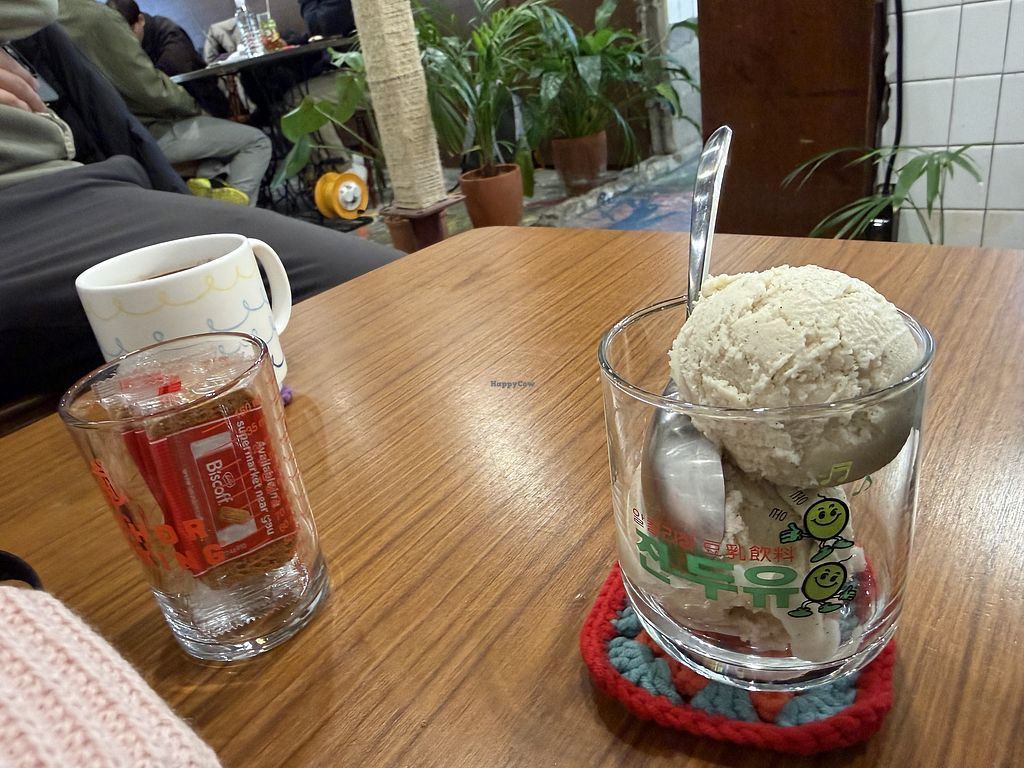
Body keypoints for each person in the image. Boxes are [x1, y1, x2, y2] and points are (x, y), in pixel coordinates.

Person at [0, 1, 402, 405]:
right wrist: (197, 107)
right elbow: (46, 13)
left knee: (383, 281)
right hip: (62, 187)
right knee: (385, 281)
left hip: (75, 182)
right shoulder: (93, 18)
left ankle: (219, 197)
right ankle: (232, 199)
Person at [56, 0, 270, 205]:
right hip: (146, 133)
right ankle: (234, 217)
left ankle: (214, 205)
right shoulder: (95, 18)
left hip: (97, 145)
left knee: (211, 164)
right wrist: (192, 108)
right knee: (256, 141)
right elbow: (150, 89)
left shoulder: (50, 22)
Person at [105, 0, 229, 119]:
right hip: (171, 111)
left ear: (141, 20)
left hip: (203, 105)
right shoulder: (124, 45)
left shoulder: (169, 33)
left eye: (130, 31)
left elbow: (168, 74)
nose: (127, 39)